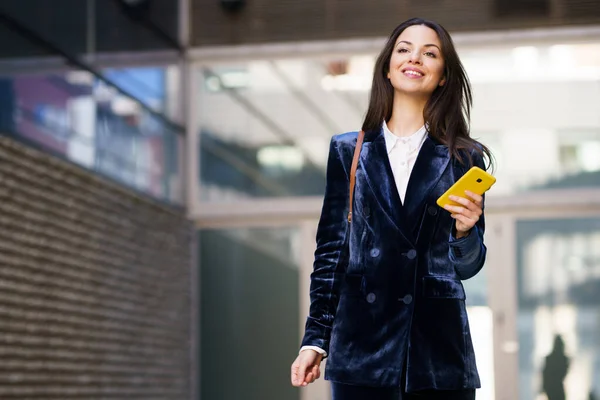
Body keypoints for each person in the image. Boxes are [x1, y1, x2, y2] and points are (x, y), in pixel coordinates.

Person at [290, 17, 494, 400]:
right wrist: (315, 340)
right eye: (404, 49)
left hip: (436, 354)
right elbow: (333, 252)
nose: (414, 57)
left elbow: (468, 266)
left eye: (429, 53)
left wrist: (465, 233)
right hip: (363, 348)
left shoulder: (464, 157)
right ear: (387, 66)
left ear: (443, 75)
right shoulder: (349, 151)